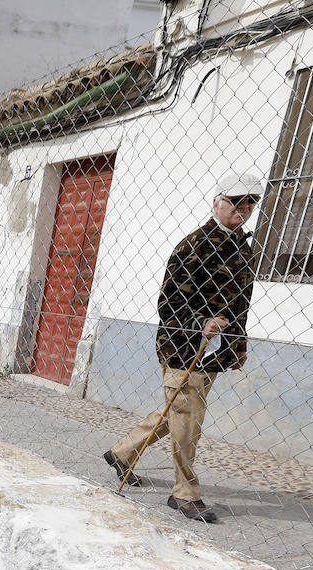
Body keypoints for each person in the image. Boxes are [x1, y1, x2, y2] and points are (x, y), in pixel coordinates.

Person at [102, 172, 261, 524]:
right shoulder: (194, 246)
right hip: (182, 345)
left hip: (215, 350)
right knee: (189, 420)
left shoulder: (243, 248)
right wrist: (200, 323)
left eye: (251, 201)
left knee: (179, 410)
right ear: (217, 202)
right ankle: (184, 493)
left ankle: (123, 453)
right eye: (237, 201)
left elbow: (241, 304)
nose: (244, 207)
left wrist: (237, 345)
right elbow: (168, 302)